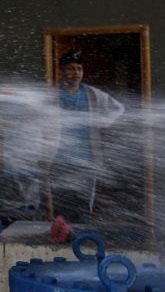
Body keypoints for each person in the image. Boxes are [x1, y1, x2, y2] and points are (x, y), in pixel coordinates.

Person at [48, 50, 124, 223]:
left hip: (87, 161)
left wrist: (102, 121)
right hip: (59, 160)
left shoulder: (93, 94)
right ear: (61, 71)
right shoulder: (52, 95)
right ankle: (63, 236)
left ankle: (80, 237)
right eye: (70, 68)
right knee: (61, 207)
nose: (76, 73)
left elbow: (119, 108)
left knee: (83, 209)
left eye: (79, 69)